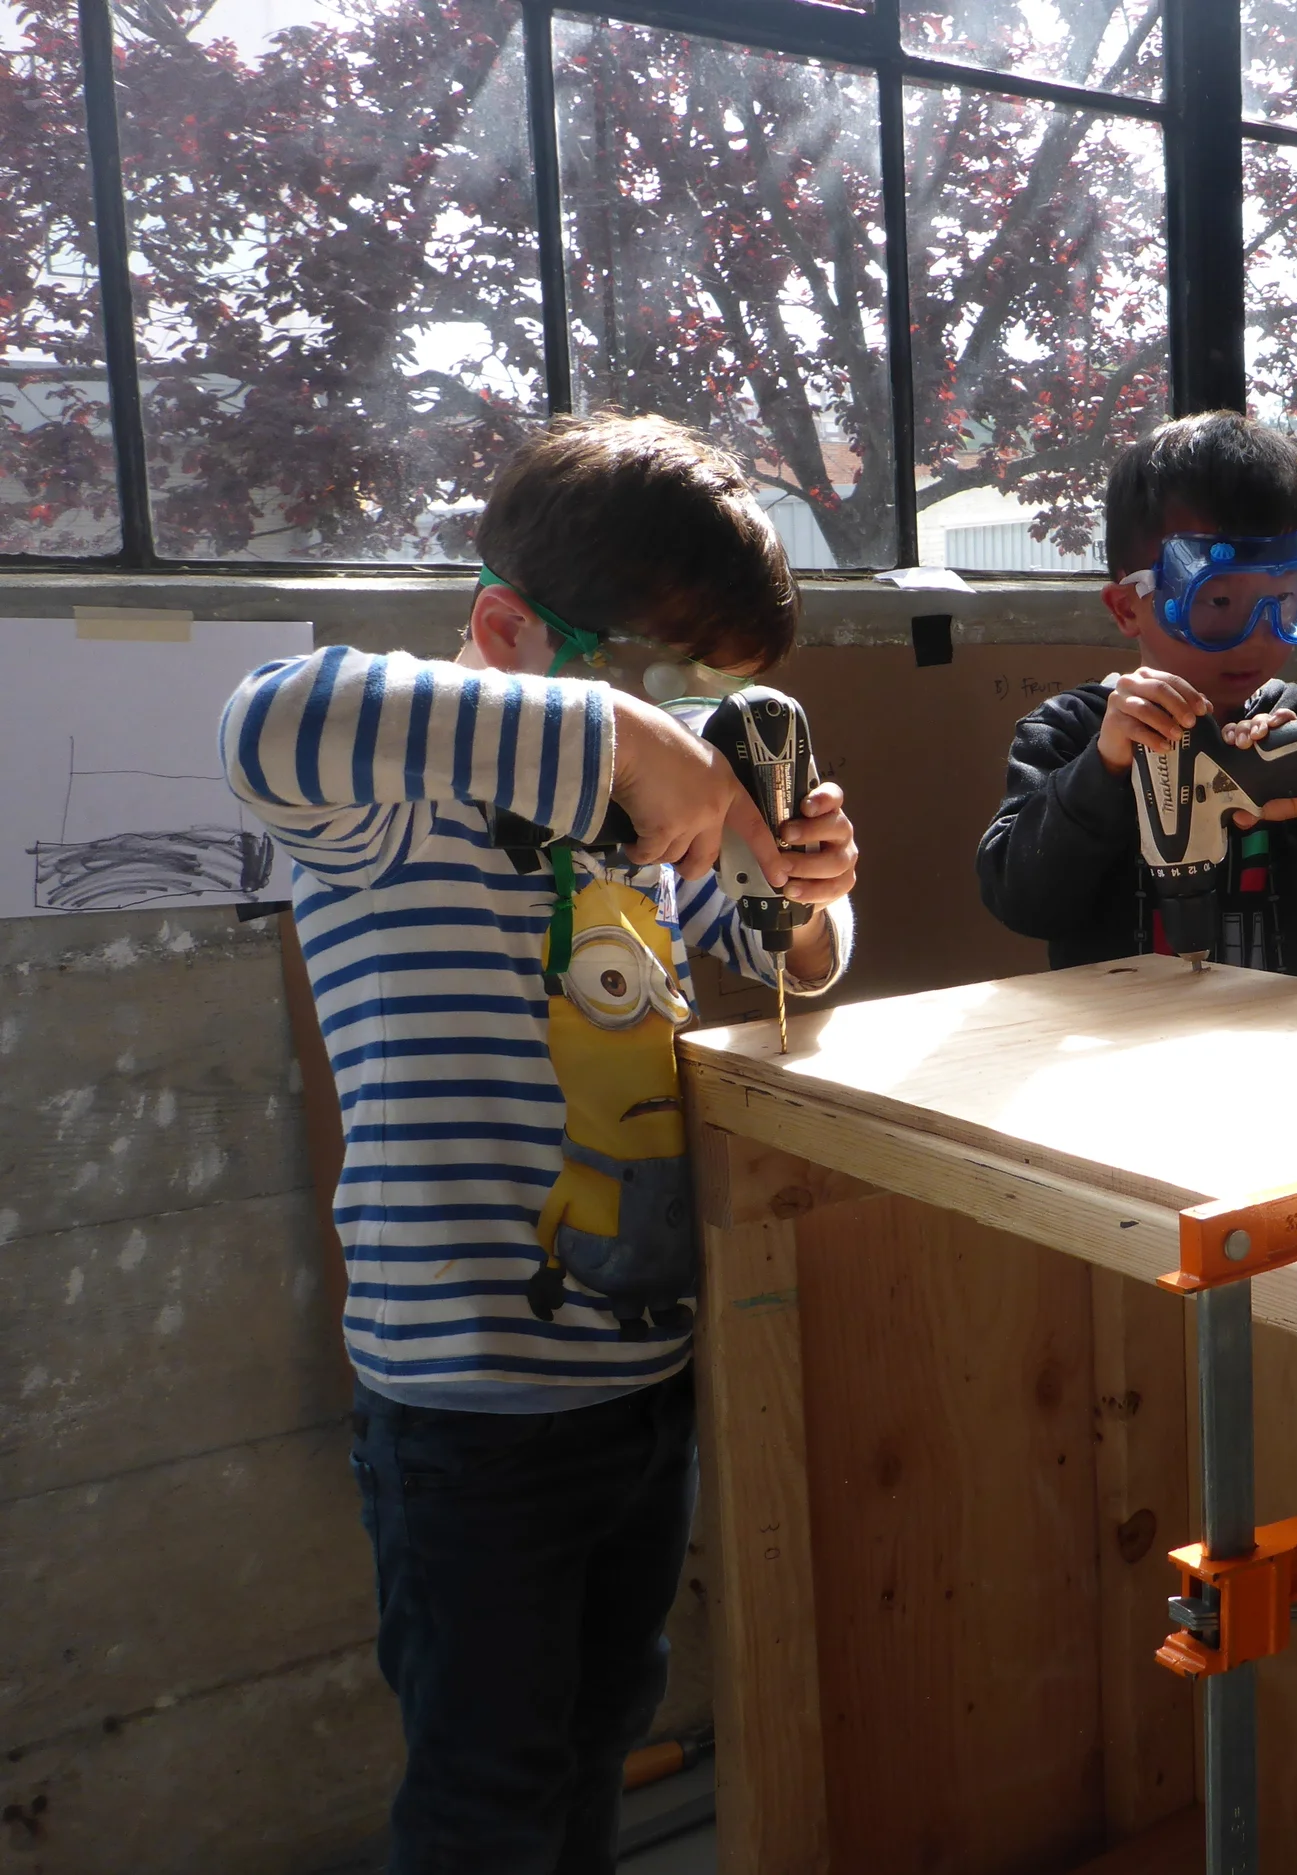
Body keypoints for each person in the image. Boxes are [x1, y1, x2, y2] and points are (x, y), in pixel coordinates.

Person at [220, 414, 859, 1873]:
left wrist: (805, 892)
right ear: (507, 629)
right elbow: (265, 718)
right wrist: (626, 738)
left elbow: (786, 967)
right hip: (465, 1406)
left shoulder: (652, 841)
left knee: (594, 1741)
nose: (695, 747)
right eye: (663, 698)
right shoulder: (392, 808)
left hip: (643, 1379)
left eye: (713, 710)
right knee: (484, 1793)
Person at [977, 410, 1297, 979]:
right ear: (1128, 606)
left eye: (1281, 602)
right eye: (1220, 603)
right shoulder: (1073, 731)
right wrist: (1102, 769)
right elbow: (1020, 897)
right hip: (1117, 1049)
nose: (1257, 635)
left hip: (1280, 1039)